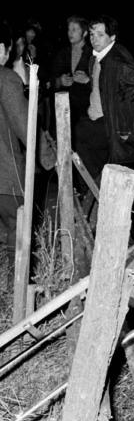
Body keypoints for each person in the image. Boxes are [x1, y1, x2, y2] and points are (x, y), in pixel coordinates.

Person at [73, 14, 134, 188]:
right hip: (96, 121)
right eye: (92, 34)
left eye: (100, 34)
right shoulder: (95, 58)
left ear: (112, 37)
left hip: (112, 125)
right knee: (81, 141)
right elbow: (103, 88)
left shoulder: (119, 62)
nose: (94, 39)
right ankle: (91, 197)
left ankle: (95, 199)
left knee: (107, 175)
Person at [0, 21, 53, 260]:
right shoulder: (6, 79)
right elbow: (26, 126)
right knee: (16, 228)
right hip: (5, 174)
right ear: (4, 48)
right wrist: (51, 157)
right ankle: (15, 287)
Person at [50, 15, 92, 130]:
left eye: (74, 29)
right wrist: (59, 81)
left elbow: (104, 85)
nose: (70, 33)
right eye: (69, 29)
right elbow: (50, 81)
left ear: (84, 33)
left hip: (86, 114)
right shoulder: (62, 53)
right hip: (63, 110)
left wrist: (87, 80)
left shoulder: (93, 55)